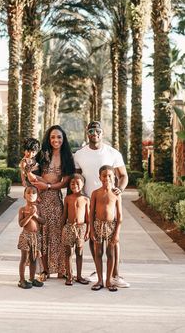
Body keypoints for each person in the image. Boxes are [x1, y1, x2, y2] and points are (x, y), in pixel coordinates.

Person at [74, 120, 129, 288]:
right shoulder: (79, 155)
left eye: (97, 131)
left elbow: (123, 175)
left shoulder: (113, 153)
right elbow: (76, 177)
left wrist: (119, 189)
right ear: (87, 133)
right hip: (89, 201)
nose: (94, 134)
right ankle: (98, 272)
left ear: (102, 133)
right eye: (91, 131)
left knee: (114, 240)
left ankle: (116, 274)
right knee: (93, 237)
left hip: (109, 201)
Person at [29, 125, 75, 279]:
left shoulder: (68, 157)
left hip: (55, 199)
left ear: (63, 139)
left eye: (59, 137)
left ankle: (61, 269)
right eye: (53, 137)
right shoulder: (42, 155)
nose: (56, 140)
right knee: (41, 233)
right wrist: (36, 192)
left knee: (56, 234)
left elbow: (64, 183)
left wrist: (48, 186)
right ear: (49, 139)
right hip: (40, 198)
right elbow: (30, 174)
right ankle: (44, 270)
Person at [90, 165, 122, 291]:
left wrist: (117, 233)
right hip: (98, 225)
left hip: (111, 226)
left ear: (114, 177)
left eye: (110, 175)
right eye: (104, 175)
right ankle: (99, 280)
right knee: (98, 252)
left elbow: (119, 216)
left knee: (110, 253)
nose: (107, 178)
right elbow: (91, 213)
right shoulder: (95, 193)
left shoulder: (116, 194)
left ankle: (109, 280)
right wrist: (92, 230)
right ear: (99, 177)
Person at [62, 174, 90, 286]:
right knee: (68, 253)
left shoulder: (86, 199)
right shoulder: (68, 198)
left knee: (79, 252)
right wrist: (62, 229)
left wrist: (88, 231)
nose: (75, 185)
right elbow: (64, 215)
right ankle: (69, 276)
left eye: (78, 183)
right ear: (69, 185)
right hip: (69, 227)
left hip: (81, 228)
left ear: (83, 185)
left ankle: (79, 276)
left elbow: (88, 218)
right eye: (72, 183)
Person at [17, 185, 45, 289]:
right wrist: (29, 215)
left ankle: (32, 278)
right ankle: (22, 280)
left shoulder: (39, 208)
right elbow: (21, 224)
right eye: (28, 192)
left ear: (37, 196)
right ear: (24, 195)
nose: (31, 194)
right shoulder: (22, 209)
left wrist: (36, 216)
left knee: (34, 258)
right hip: (26, 236)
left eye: (33, 192)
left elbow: (43, 221)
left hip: (36, 236)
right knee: (24, 258)